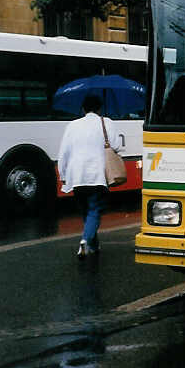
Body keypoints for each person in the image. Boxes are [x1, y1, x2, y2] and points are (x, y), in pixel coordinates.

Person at [57, 94, 122, 259]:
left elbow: (63, 153)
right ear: (100, 108)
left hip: (76, 176)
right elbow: (116, 145)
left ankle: (93, 245)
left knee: (86, 211)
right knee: (94, 210)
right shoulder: (106, 122)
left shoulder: (72, 125)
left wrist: (63, 175)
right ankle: (85, 240)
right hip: (96, 175)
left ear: (83, 109)